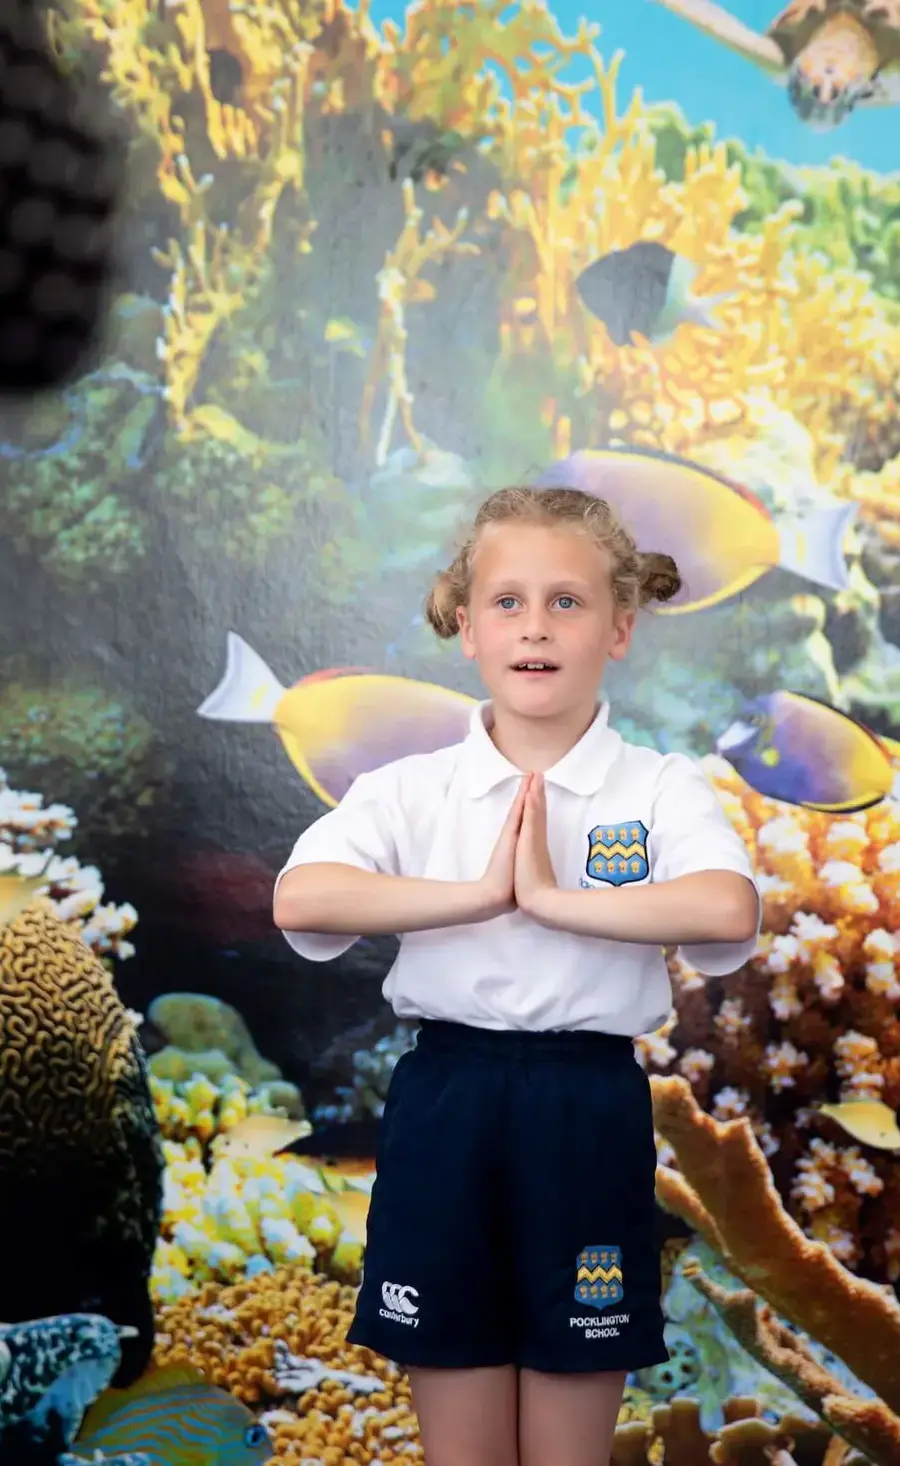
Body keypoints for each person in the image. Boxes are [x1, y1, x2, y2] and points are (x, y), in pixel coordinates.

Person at [273, 486, 760, 1466]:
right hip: (444, 1102)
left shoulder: (659, 785)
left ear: (621, 627)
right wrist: (477, 891)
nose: (535, 625)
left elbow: (725, 909)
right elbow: (303, 898)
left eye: (567, 601)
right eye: (507, 601)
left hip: (588, 1106)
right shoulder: (408, 788)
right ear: (464, 624)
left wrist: (550, 897)